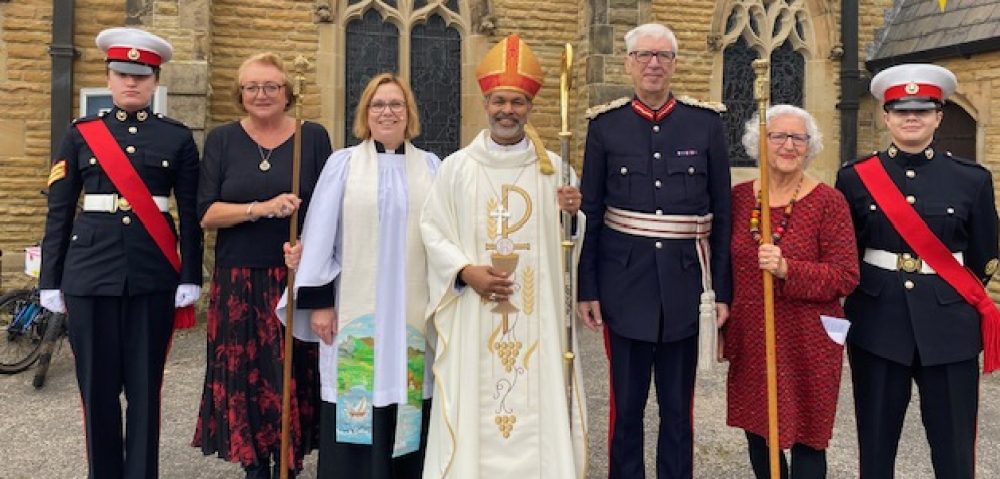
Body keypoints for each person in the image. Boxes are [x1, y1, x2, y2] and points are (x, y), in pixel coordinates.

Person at [38, 27, 202, 479]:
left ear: (155, 81)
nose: (132, 82)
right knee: (96, 388)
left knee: (146, 389)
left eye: (142, 75)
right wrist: (50, 279)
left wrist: (191, 274)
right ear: (109, 78)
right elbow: (59, 211)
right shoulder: (81, 135)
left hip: (152, 273)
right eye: (123, 74)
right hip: (89, 274)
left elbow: (191, 213)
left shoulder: (176, 138)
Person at [420, 34, 586, 478]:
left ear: (529, 107)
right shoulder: (457, 168)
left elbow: (569, 243)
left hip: (536, 315)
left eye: (516, 102)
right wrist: (464, 271)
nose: (507, 110)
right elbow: (432, 229)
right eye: (499, 101)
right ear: (486, 104)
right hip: (474, 310)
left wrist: (572, 214)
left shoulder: (554, 169)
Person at [576, 23, 731, 478]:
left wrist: (722, 292)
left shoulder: (705, 125)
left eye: (663, 55)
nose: (653, 64)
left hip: (686, 287)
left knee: (678, 412)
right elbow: (591, 212)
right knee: (626, 410)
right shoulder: (605, 127)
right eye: (643, 55)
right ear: (628, 63)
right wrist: (587, 287)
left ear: (675, 64)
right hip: (624, 286)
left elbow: (723, 213)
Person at [835, 63, 999, 478]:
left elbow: (983, 256)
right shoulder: (854, 178)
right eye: (901, 110)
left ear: (938, 117)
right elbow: (844, 252)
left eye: (922, 110)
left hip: (949, 327)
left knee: (955, 449)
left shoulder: (972, 179)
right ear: (886, 116)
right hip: (878, 321)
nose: (912, 117)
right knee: (875, 446)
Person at [277, 73, 440, 479]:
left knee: (408, 395)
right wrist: (320, 303)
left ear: (409, 113)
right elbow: (319, 233)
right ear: (366, 114)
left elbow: (444, 237)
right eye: (378, 105)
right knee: (357, 398)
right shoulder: (344, 165)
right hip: (355, 310)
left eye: (396, 104)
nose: (387, 112)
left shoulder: (431, 167)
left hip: (411, 312)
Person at [191, 52, 329, 478]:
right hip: (239, 280)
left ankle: (289, 461)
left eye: (271, 86)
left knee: (291, 371)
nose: (261, 94)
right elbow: (206, 213)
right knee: (246, 373)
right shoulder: (222, 140)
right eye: (252, 87)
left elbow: (329, 209)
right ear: (241, 93)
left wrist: (309, 247)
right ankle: (254, 464)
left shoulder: (312, 137)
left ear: (287, 93)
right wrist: (261, 208)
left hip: (294, 275)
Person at [723, 105, 859, 478]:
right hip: (753, 335)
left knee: (807, 436)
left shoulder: (829, 202)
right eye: (778, 136)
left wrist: (788, 269)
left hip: (809, 339)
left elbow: (845, 276)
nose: (789, 145)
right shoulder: (738, 199)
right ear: (759, 143)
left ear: (809, 146)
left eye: (798, 138)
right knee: (758, 431)